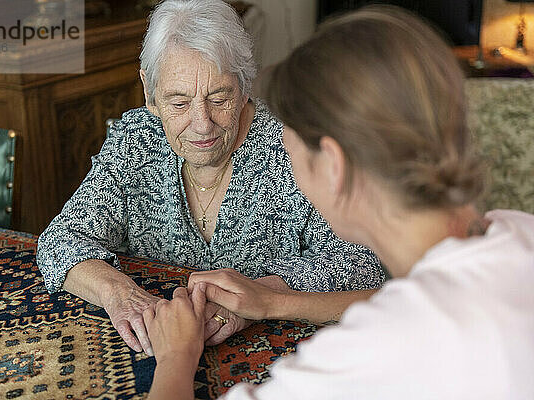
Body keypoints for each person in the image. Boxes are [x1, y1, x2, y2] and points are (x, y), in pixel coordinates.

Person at [142, 5, 534, 399]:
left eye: (291, 150)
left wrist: (176, 352)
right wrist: (275, 300)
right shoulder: (518, 230)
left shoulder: (371, 351)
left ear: (333, 165)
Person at [36, 0, 384, 357]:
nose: (202, 124)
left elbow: (362, 263)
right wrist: (122, 296)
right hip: (154, 351)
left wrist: (260, 297)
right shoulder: (134, 140)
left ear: (245, 86)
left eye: (219, 98)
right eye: (179, 103)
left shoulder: (292, 146)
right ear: (149, 91)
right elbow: (61, 239)